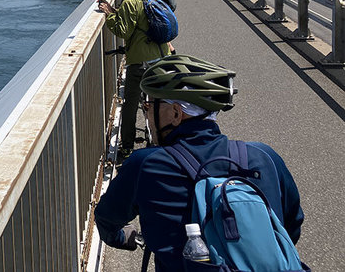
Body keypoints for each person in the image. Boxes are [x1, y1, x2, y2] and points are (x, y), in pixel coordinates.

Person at [93, 55, 304, 272]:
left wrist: (124, 237)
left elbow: (107, 220)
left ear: (175, 113)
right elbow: (290, 226)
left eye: (148, 106)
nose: (146, 113)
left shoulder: (146, 164)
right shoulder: (264, 156)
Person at [97, 0, 170, 157]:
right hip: (161, 56)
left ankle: (127, 146)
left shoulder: (130, 2)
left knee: (129, 105)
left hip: (141, 63)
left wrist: (108, 15)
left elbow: (123, 30)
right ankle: (164, 137)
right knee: (160, 101)